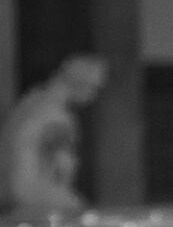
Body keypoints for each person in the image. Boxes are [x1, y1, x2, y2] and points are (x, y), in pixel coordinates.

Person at [0, 54, 107, 216]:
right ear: (81, 83)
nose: (94, 95)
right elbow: (62, 166)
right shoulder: (57, 117)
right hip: (33, 196)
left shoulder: (30, 101)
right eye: (95, 88)